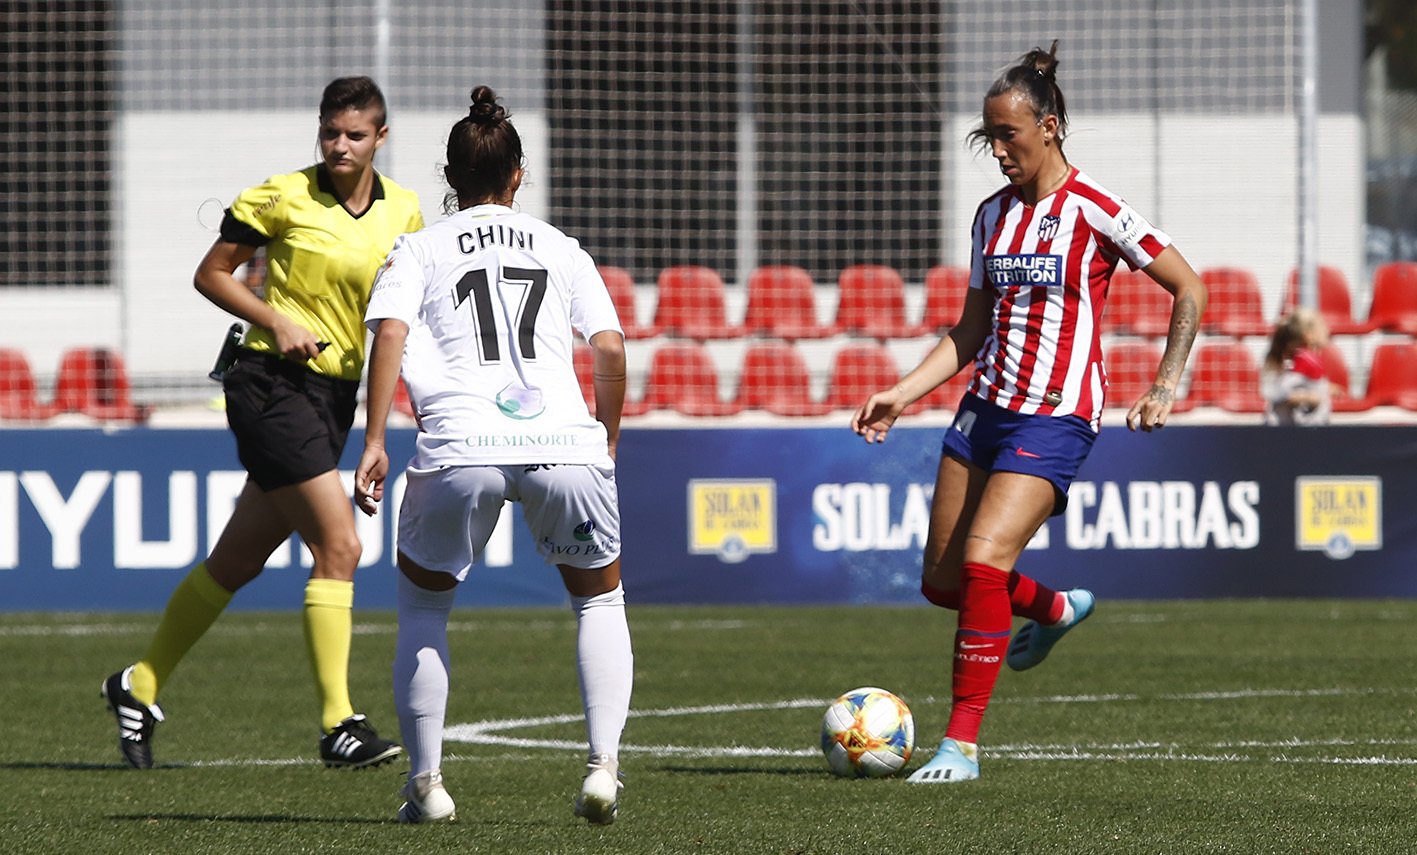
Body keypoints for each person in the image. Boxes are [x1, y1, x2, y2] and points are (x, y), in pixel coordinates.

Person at [851, 41, 1207, 783]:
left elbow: (1189, 288)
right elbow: (969, 331)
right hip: (985, 409)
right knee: (943, 583)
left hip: (1056, 414)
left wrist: (1165, 380)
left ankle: (960, 744)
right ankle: (1052, 609)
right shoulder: (989, 219)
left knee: (983, 562)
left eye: (1007, 134)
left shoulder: (1095, 210)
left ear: (1047, 127)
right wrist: (902, 390)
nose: (998, 150)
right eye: (989, 137)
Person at [102, 76, 424, 770]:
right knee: (339, 546)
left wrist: (377, 430)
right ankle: (338, 722)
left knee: (237, 560)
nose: (339, 145)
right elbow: (211, 273)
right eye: (330, 131)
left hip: (333, 397)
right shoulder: (279, 195)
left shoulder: (405, 212)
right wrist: (273, 316)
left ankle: (140, 681)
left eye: (355, 134)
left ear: (381, 138)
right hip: (269, 385)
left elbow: (398, 321)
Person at [354, 85, 633, 825]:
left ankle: (428, 785)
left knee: (422, 604)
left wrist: (376, 437)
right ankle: (603, 767)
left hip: (461, 444)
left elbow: (387, 335)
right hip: (561, 441)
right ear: (518, 175)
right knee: (598, 598)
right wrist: (604, 434)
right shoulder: (561, 247)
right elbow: (607, 346)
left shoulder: (418, 246)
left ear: (449, 180)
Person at [1262, 307, 1332, 425]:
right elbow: (1287, 391)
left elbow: (1306, 384)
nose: (1327, 329)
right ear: (1308, 335)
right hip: (1290, 433)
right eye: (1322, 326)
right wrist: (1309, 398)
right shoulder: (1304, 360)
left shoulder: (1307, 359)